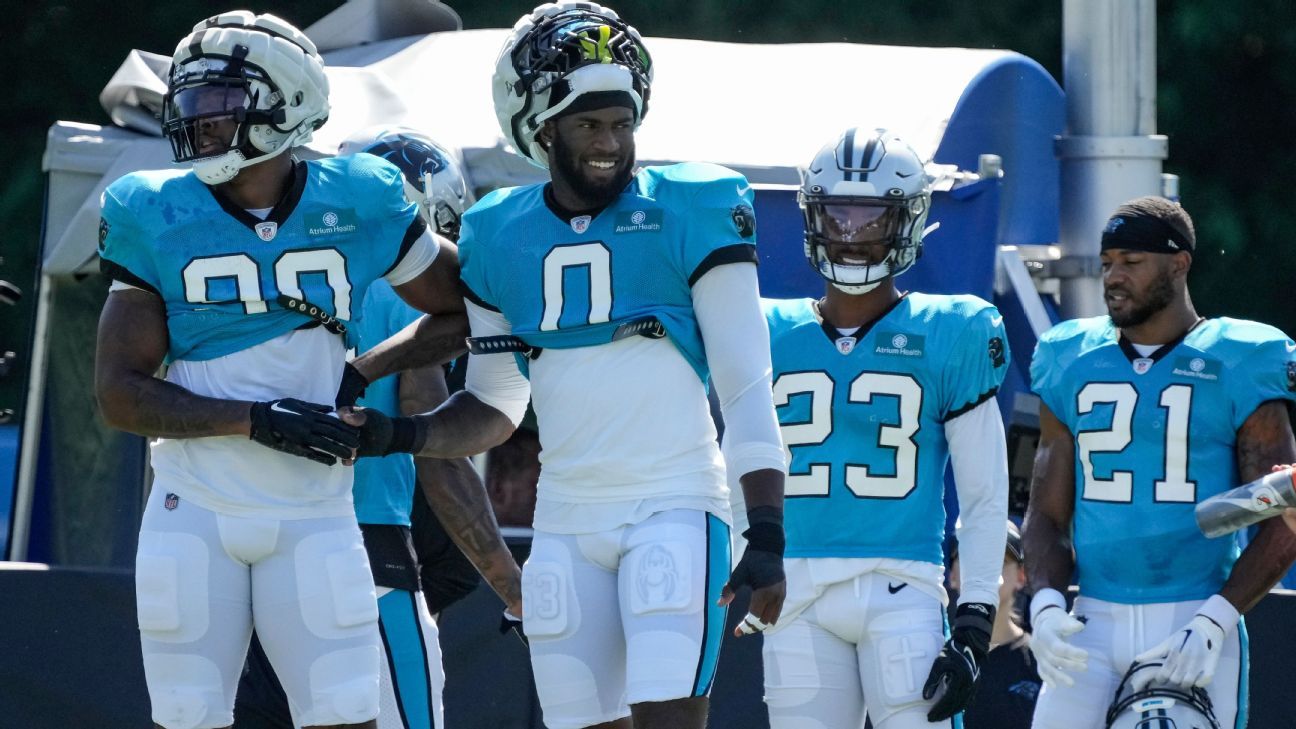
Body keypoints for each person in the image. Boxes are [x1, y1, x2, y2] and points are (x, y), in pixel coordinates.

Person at [340, 4, 789, 728]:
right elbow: (495, 405)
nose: (611, 142)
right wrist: (400, 435)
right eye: (589, 124)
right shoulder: (496, 233)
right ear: (540, 125)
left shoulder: (693, 205)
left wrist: (765, 529)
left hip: (675, 504)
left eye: (622, 122)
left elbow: (744, 386)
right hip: (568, 519)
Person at [94, 12, 467, 729]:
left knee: (348, 715)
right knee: (187, 719)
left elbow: (470, 307)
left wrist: (367, 367)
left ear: (287, 106)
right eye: (191, 102)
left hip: (315, 512)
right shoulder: (149, 208)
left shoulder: (359, 195)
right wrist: (253, 419)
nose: (196, 122)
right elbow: (118, 392)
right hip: (192, 508)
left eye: (217, 104)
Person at [233, 127, 522, 729]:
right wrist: (513, 585)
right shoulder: (402, 298)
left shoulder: (262, 281)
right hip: (362, 550)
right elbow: (439, 456)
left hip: (243, 553)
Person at [754, 127, 1009, 729]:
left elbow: (983, 492)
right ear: (810, 216)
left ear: (908, 221)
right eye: (836, 214)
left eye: (870, 217)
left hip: (903, 586)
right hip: (794, 588)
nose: (849, 234)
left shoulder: (954, 330)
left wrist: (975, 613)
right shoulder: (762, 328)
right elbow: (732, 459)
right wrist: (746, 550)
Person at [1023, 196, 1296, 729]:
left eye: (1131, 261)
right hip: (1090, 621)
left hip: (1191, 615)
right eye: (1106, 263)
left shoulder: (1240, 357)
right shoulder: (1069, 356)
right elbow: (1046, 513)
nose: (1113, 278)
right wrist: (1047, 605)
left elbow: (1284, 517)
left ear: (1179, 263)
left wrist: (1217, 618)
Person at [949, 521, 1040, 729]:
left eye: (999, 560)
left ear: (1021, 575)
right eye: (973, 560)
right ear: (952, 575)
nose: (987, 573)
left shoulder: (1044, 660)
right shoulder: (927, 656)